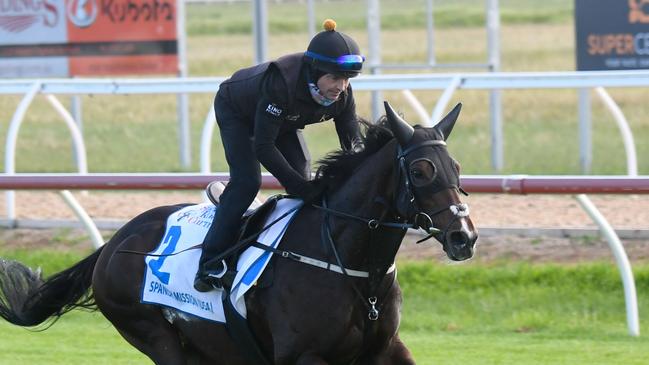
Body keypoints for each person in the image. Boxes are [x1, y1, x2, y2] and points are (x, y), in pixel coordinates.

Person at [194, 19, 365, 292]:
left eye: (346, 79)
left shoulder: (343, 94)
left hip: (281, 120)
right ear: (314, 71)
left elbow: (353, 143)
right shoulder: (280, 84)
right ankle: (209, 264)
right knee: (248, 182)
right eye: (334, 78)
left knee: (302, 176)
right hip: (237, 110)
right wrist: (301, 188)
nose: (340, 87)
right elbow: (263, 146)